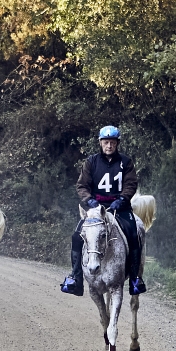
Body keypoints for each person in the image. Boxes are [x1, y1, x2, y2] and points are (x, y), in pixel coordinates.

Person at [61, 125, 145, 297]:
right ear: (100, 143)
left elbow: (131, 184)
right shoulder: (91, 162)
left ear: (117, 143)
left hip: (120, 208)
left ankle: (135, 279)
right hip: (96, 209)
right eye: (106, 142)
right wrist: (89, 200)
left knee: (133, 234)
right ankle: (76, 278)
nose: (109, 146)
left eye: (112, 142)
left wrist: (122, 199)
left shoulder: (126, 162)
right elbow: (82, 185)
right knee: (77, 236)